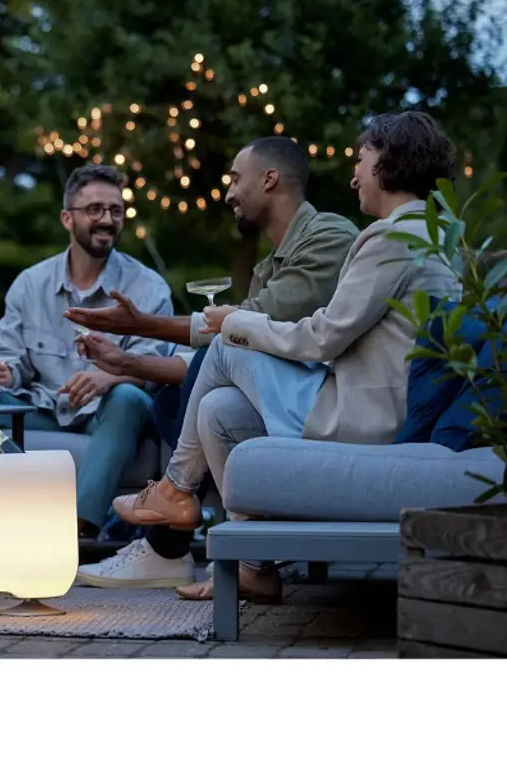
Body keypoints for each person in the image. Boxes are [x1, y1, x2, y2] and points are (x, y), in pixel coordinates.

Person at [111, 111, 461, 602]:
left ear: (388, 161)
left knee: (226, 345)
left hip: (366, 418)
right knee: (218, 410)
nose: (354, 178)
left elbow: (323, 337)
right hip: (380, 404)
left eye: (360, 162)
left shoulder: (393, 238)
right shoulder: (438, 235)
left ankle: (175, 490)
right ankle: (253, 568)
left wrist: (235, 322)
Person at [65, 136, 359, 588]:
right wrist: (125, 361)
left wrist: (142, 325)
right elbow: (224, 353)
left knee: (219, 354)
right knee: (189, 399)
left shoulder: (329, 236)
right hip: (288, 394)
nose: (228, 194)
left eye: (236, 180)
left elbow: (249, 326)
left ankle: (170, 526)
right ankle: (248, 564)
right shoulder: (271, 264)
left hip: (332, 403)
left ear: (269, 179)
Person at [0, 164, 175, 538]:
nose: (107, 219)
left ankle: (78, 530)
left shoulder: (148, 287)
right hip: (42, 406)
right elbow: (10, 357)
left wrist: (108, 377)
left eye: (115, 211)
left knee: (129, 398)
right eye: (94, 209)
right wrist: (3, 371)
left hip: (110, 410)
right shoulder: (30, 283)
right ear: (68, 218)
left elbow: (156, 366)